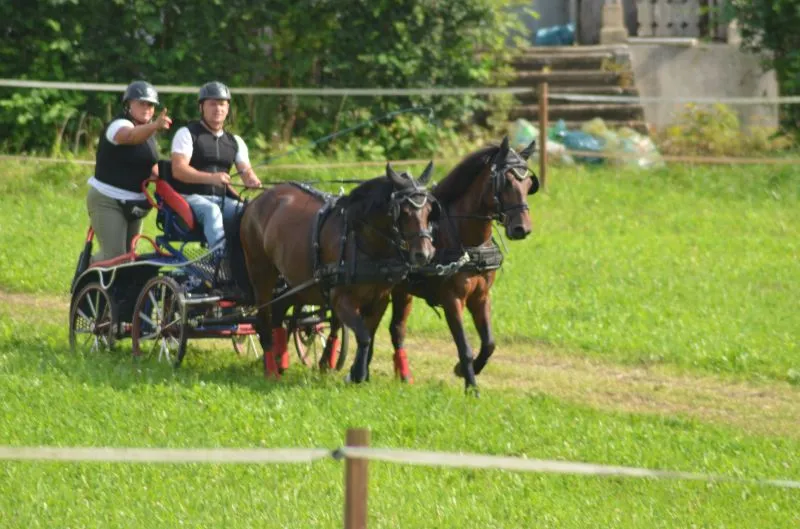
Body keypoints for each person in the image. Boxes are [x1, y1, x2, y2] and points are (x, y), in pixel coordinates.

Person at [169, 81, 261, 253]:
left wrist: (252, 180)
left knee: (249, 212)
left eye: (222, 104)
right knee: (211, 211)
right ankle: (219, 259)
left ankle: (246, 258)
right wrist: (212, 178)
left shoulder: (235, 141)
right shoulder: (187, 134)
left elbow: (246, 172)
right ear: (201, 107)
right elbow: (179, 170)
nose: (218, 108)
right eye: (212, 104)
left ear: (227, 108)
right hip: (189, 198)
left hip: (222, 199)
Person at [87, 80, 172, 262]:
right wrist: (155, 126)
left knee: (129, 258)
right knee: (115, 257)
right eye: (141, 103)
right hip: (108, 199)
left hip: (135, 203)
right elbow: (130, 136)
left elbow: (152, 168)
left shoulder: (148, 133)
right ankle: (87, 271)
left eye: (150, 105)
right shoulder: (118, 125)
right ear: (128, 104)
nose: (147, 108)